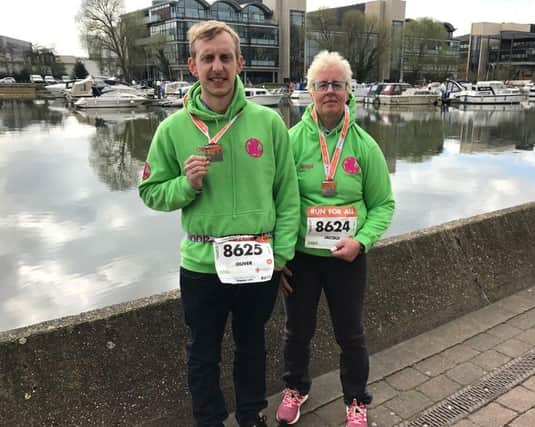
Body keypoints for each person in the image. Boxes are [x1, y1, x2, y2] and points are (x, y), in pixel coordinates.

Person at [139, 20, 300, 427]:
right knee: (202, 353)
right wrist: (185, 185)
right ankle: (209, 421)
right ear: (192, 66)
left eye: (225, 57)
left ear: (240, 63)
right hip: (201, 263)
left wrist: (280, 255)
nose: (217, 67)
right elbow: (150, 192)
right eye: (207, 58)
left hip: (258, 260)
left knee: (252, 349)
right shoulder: (172, 130)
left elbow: (288, 194)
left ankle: (251, 415)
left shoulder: (269, 124)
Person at [276, 51, 394, 427]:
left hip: (348, 256)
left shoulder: (365, 146)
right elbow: (275, 203)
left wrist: (362, 241)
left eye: (337, 84)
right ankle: (296, 388)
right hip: (302, 257)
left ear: (348, 91)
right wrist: (278, 256)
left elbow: (383, 205)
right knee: (297, 331)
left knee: (351, 333)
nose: (330, 91)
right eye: (322, 84)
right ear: (309, 91)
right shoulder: (290, 142)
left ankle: (356, 399)